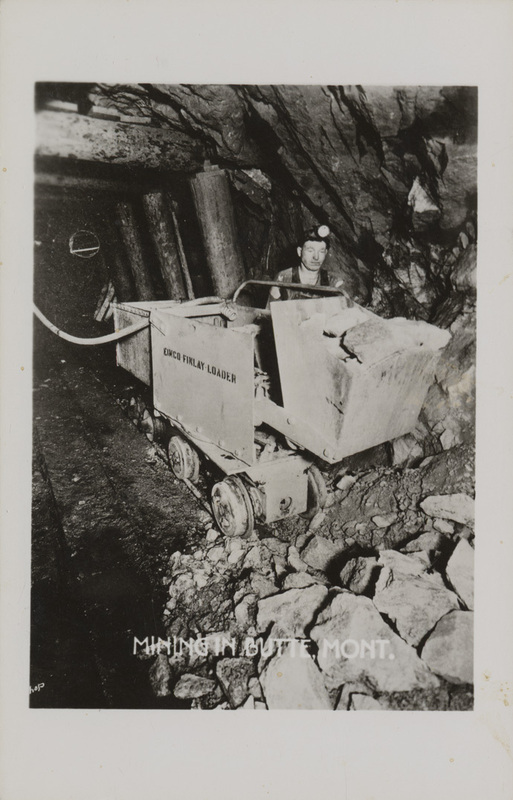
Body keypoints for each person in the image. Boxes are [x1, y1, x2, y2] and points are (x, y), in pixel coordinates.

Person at [267, 225, 345, 303]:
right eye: (310, 251)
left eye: (321, 251)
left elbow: (346, 312)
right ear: (299, 252)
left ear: (326, 253)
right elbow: (270, 313)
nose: (316, 257)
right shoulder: (283, 278)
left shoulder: (334, 282)